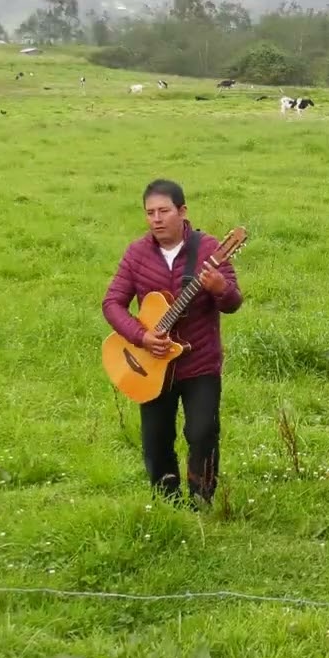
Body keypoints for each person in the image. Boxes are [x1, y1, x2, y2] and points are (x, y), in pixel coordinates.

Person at [102, 179, 244, 508]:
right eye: (149, 212)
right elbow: (112, 303)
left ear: (182, 211)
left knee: (202, 433)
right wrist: (142, 336)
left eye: (163, 211)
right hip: (148, 365)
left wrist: (220, 286)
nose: (156, 219)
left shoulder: (210, 249)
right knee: (156, 440)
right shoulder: (137, 253)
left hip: (200, 363)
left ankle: (202, 500)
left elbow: (233, 303)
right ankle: (167, 503)